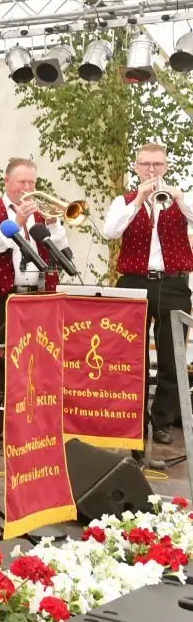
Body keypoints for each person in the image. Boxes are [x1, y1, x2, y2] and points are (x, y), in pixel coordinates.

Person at [102, 143, 193, 445]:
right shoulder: (123, 200)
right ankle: (134, 420)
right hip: (133, 282)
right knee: (130, 357)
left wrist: (180, 200)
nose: (151, 170)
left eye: (157, 164)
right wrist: (138, 201)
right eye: (145, 164)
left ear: (166, 166)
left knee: (171, 356)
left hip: (173, 284)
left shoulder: (182, 198)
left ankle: (163, 420)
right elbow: (111, 231)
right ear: (136, 167)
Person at [0, 157, 66, 347]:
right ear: (7, 181)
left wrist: (53, 224)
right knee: (3, 355)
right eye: (22, 182)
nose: (27, 187)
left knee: (41, 350)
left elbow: (59, 247)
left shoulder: (41, 210)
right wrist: (17, 222)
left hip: (41, 293)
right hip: (5, 294)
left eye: (32, 182)